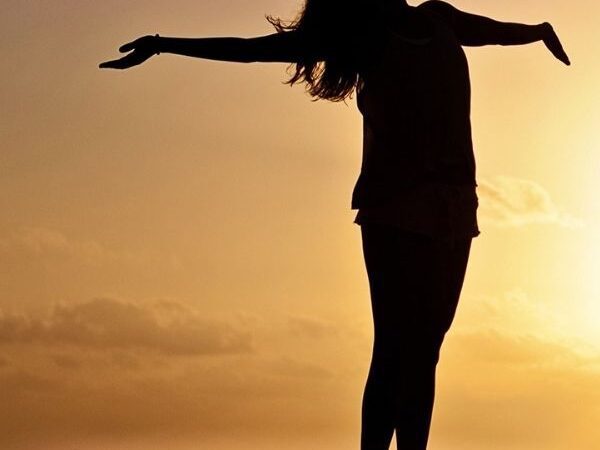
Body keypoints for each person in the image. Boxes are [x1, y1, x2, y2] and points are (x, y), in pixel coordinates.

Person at [100, 1, 569, 449]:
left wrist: (538, 32)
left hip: (455, 208)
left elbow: (495, 34)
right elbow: (252, 48)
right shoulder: (361, 36)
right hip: (394, 207)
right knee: (393, 348)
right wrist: (163, 44)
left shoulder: (440, 18)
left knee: (426, 351)